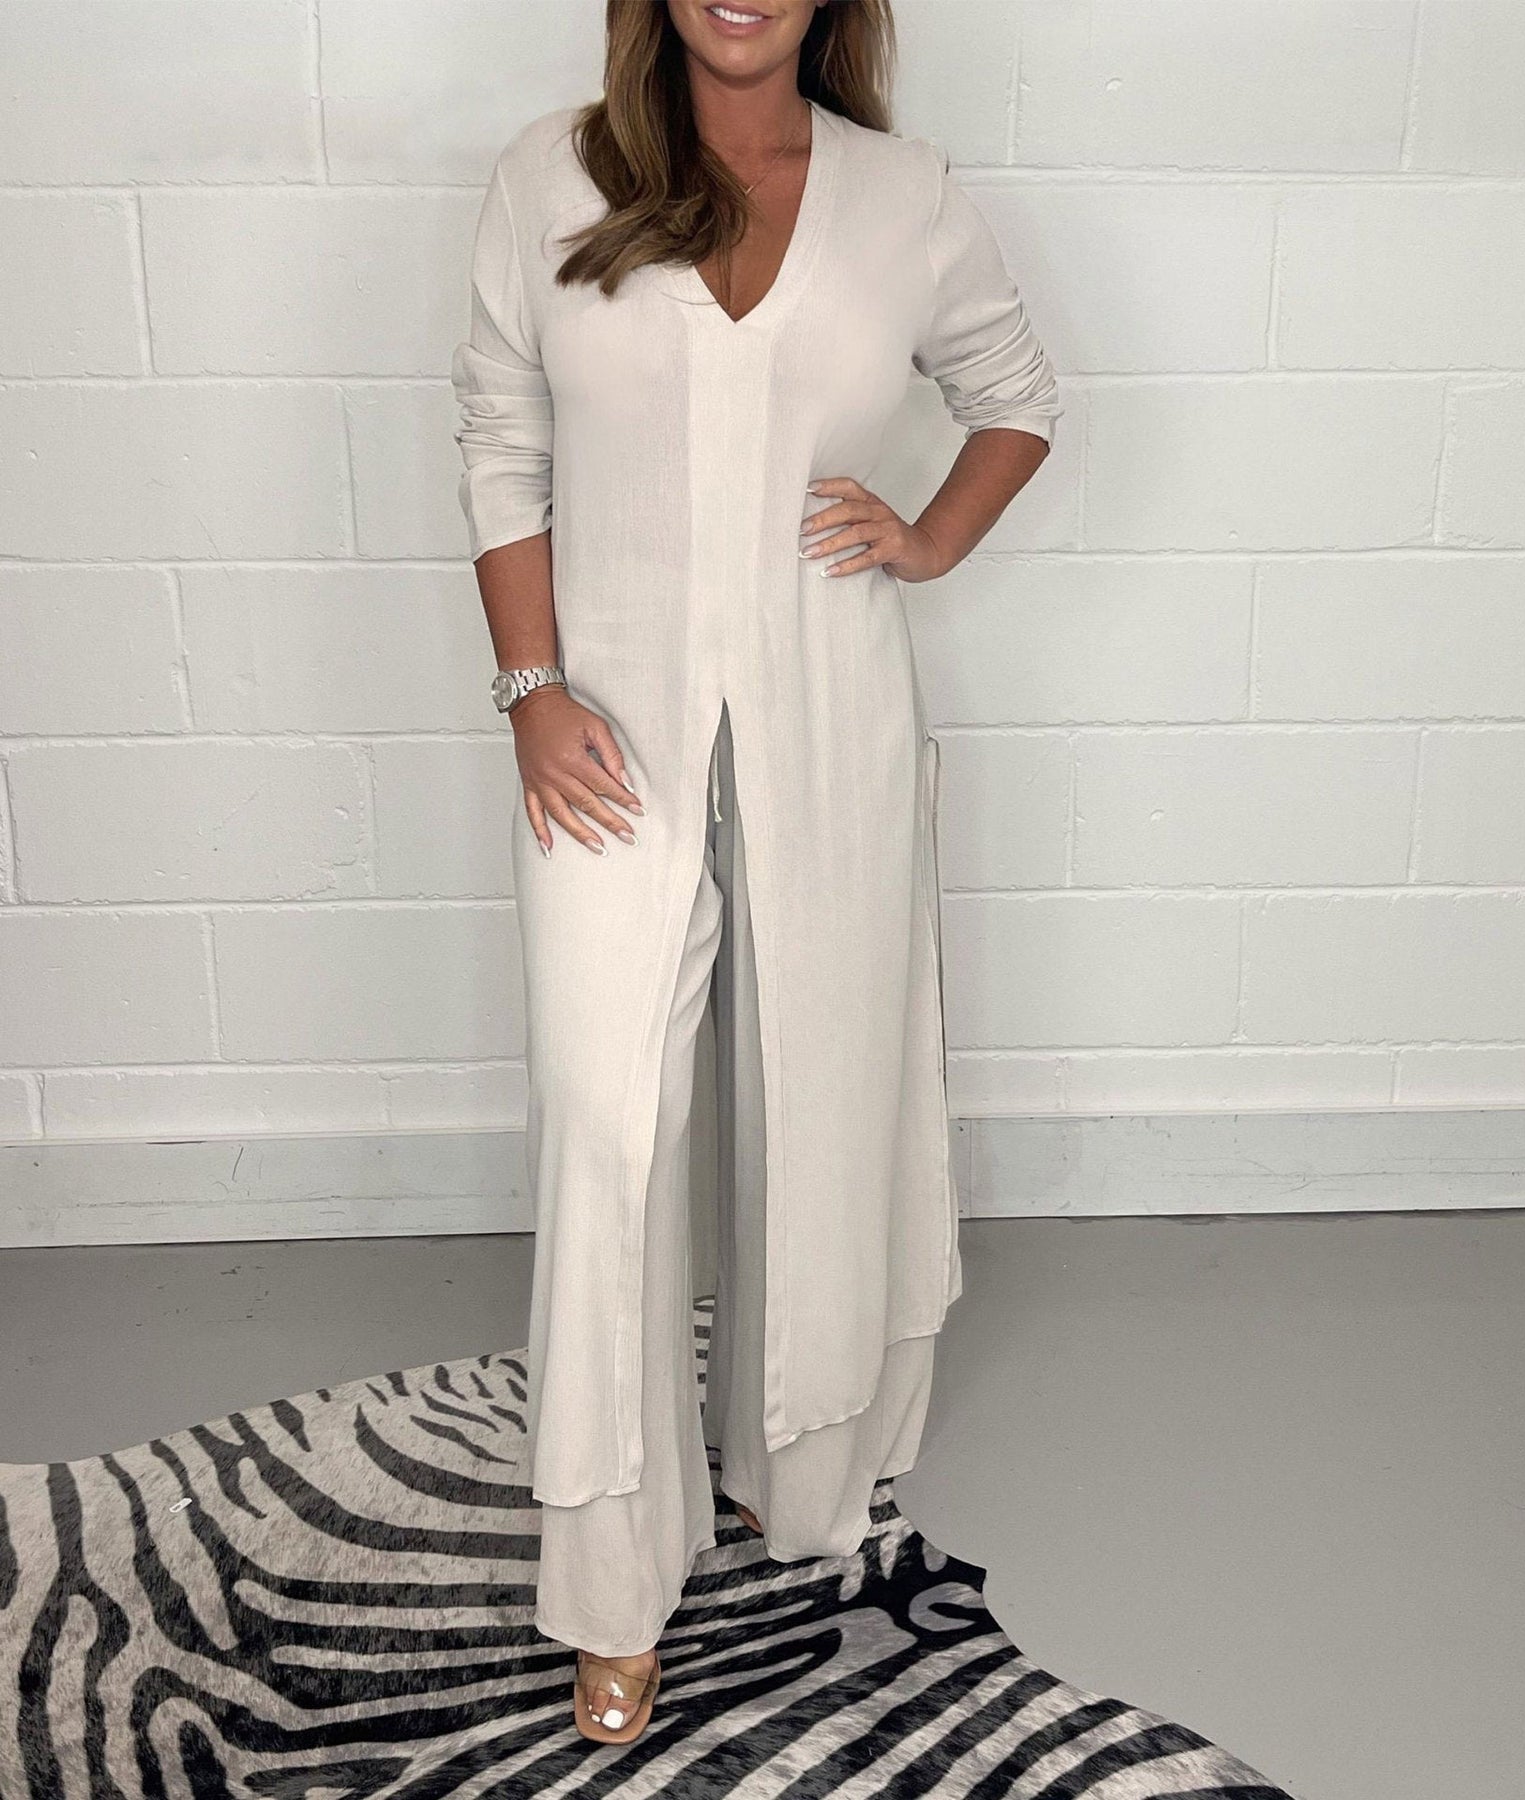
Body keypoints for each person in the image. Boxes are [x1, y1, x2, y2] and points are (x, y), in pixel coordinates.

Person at [450, 0, 1061, 1744]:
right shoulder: (552, 178)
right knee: (609, 1116)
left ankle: (798, 1473)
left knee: (825, 1085)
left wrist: (925, 537)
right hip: (605, 728)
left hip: (831, 708)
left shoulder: (902, 194)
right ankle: (609, 1580)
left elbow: (1015, 398)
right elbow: (500, 438)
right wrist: (529, 689)